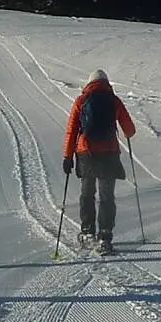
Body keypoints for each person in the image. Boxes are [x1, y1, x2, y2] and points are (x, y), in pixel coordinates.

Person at [61, 69, 136, 255]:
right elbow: (130, 130)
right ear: (106, 82)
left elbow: (71, 130)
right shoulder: (114, 101)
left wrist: (67, 157)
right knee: (106, 196)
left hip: (86, 153)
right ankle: (105, 236)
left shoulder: (81, 100)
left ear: (89, 82)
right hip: (109, 153)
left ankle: (87, 232)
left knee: (87, 193)